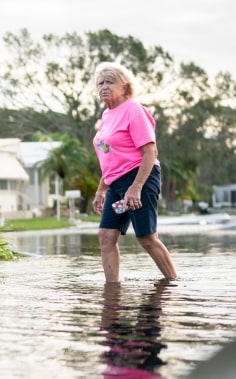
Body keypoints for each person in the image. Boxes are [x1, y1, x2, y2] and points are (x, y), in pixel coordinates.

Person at [91, 62, 177, 283]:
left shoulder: (133, 109)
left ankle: (174, 283)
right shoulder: (106, 116)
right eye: (100, 83)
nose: (104, 87)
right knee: (106, 236)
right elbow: (110, 157)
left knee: (147, 238)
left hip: (140, 177)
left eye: (110, 82)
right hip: (116, 182)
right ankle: (112, 290)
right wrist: (101, 189)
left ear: (125, 87)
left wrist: (136, 187)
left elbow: (150, 151)